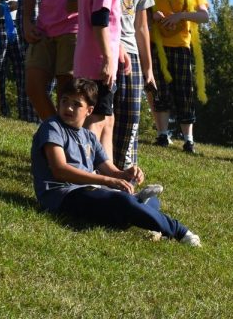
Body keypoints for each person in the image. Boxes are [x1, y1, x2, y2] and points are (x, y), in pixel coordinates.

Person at [31, 78, 200, 247]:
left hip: (91, 191)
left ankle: (136, 206)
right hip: (63, 195)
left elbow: (110, 170)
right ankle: (179, 231)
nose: (68, 107)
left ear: (89, 110)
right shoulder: (52, 127)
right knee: (125, 203)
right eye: (64, 101)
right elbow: (60, 170)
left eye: (76, 104)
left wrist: (126, 174)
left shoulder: (88, 136)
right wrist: (107, 181)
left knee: (145, 202)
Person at [71, 0, 134, 161]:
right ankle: (85, 173)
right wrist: (108, 58)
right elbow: (100, 17)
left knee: (108, 119)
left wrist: (119, 50)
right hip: (98, 62)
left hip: (87, 57)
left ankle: (109, 174)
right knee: (96, 120)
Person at [150, 0, 210, 155]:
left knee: (184, 92)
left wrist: (181, 16)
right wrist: (154, 16)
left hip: (182, 46)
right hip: (158, 46)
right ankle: (163, 134)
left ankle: (188, 139)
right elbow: (143, 15)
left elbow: (204, 16)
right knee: (161, 91)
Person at [112, 0, 156, 169]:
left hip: (132, 56)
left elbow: (142, 27)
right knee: (104, 115)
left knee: (131, 117)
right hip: (104, 50)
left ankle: (127, 170)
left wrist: (148, 68)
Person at [11, 0, 56, 123]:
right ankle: (28, 114)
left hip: (47, 4)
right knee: (29, 61)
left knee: (47, 62)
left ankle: (41, 114)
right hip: (33, 2)